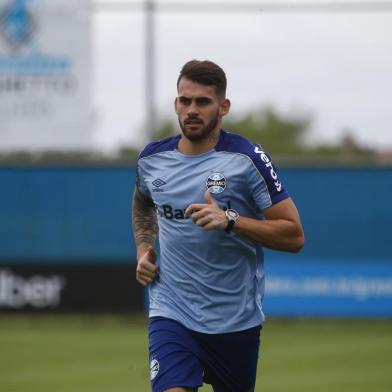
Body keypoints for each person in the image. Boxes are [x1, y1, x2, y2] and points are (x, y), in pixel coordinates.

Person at [132, 59, 304, 392]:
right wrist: (143, 249)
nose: (192, 109)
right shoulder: (152, 160)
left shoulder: (246, 159)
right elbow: (142, 200)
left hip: (234, 322)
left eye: (203, 101)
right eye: (185, 100)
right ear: (176, 104)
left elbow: (294, 235)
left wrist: (231, 221)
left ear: (223, 107)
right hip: (171, 312)